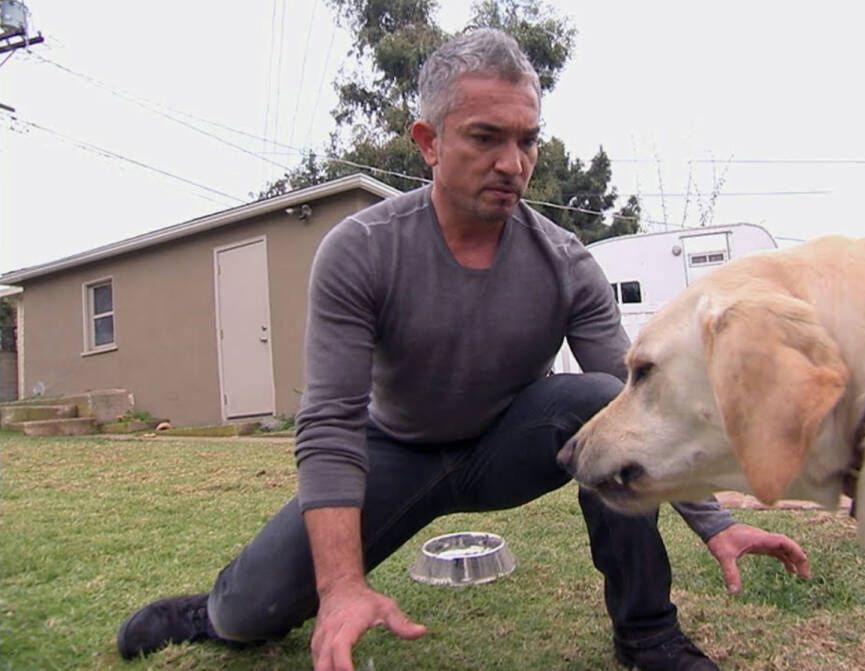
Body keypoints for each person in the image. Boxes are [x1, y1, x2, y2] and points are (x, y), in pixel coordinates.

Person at [115, 29, 809, 671]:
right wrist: (342, 584)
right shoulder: (362, 250)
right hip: (394, 452)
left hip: (509, 446)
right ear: (429, 140)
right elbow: (329, 423)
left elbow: (640, 407)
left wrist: (715, 522)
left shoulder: (564, 261)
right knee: (248, 612)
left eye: (528, 140)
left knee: (599, 402)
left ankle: (648, 630)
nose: (514, 163)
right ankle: (212, 611)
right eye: (485, 137)